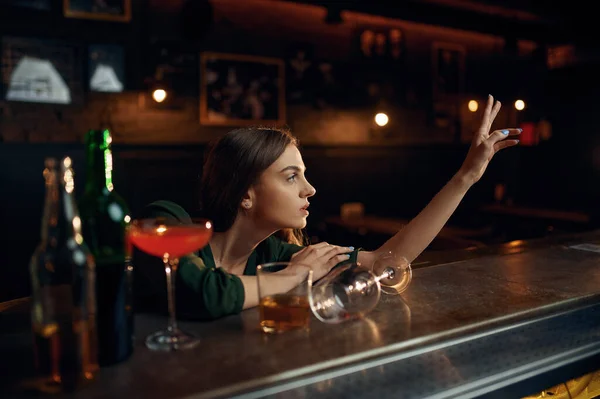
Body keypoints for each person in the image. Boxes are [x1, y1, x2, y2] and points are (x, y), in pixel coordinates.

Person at [134, 95, 520, 320]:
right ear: (245, 195)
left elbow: (389, 261)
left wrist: (465, 178)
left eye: (305, 175)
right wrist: (294, 277)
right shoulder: (167, 220)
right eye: (291, 177)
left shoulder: (277, 254)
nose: (311, 189)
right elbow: (204, 294)